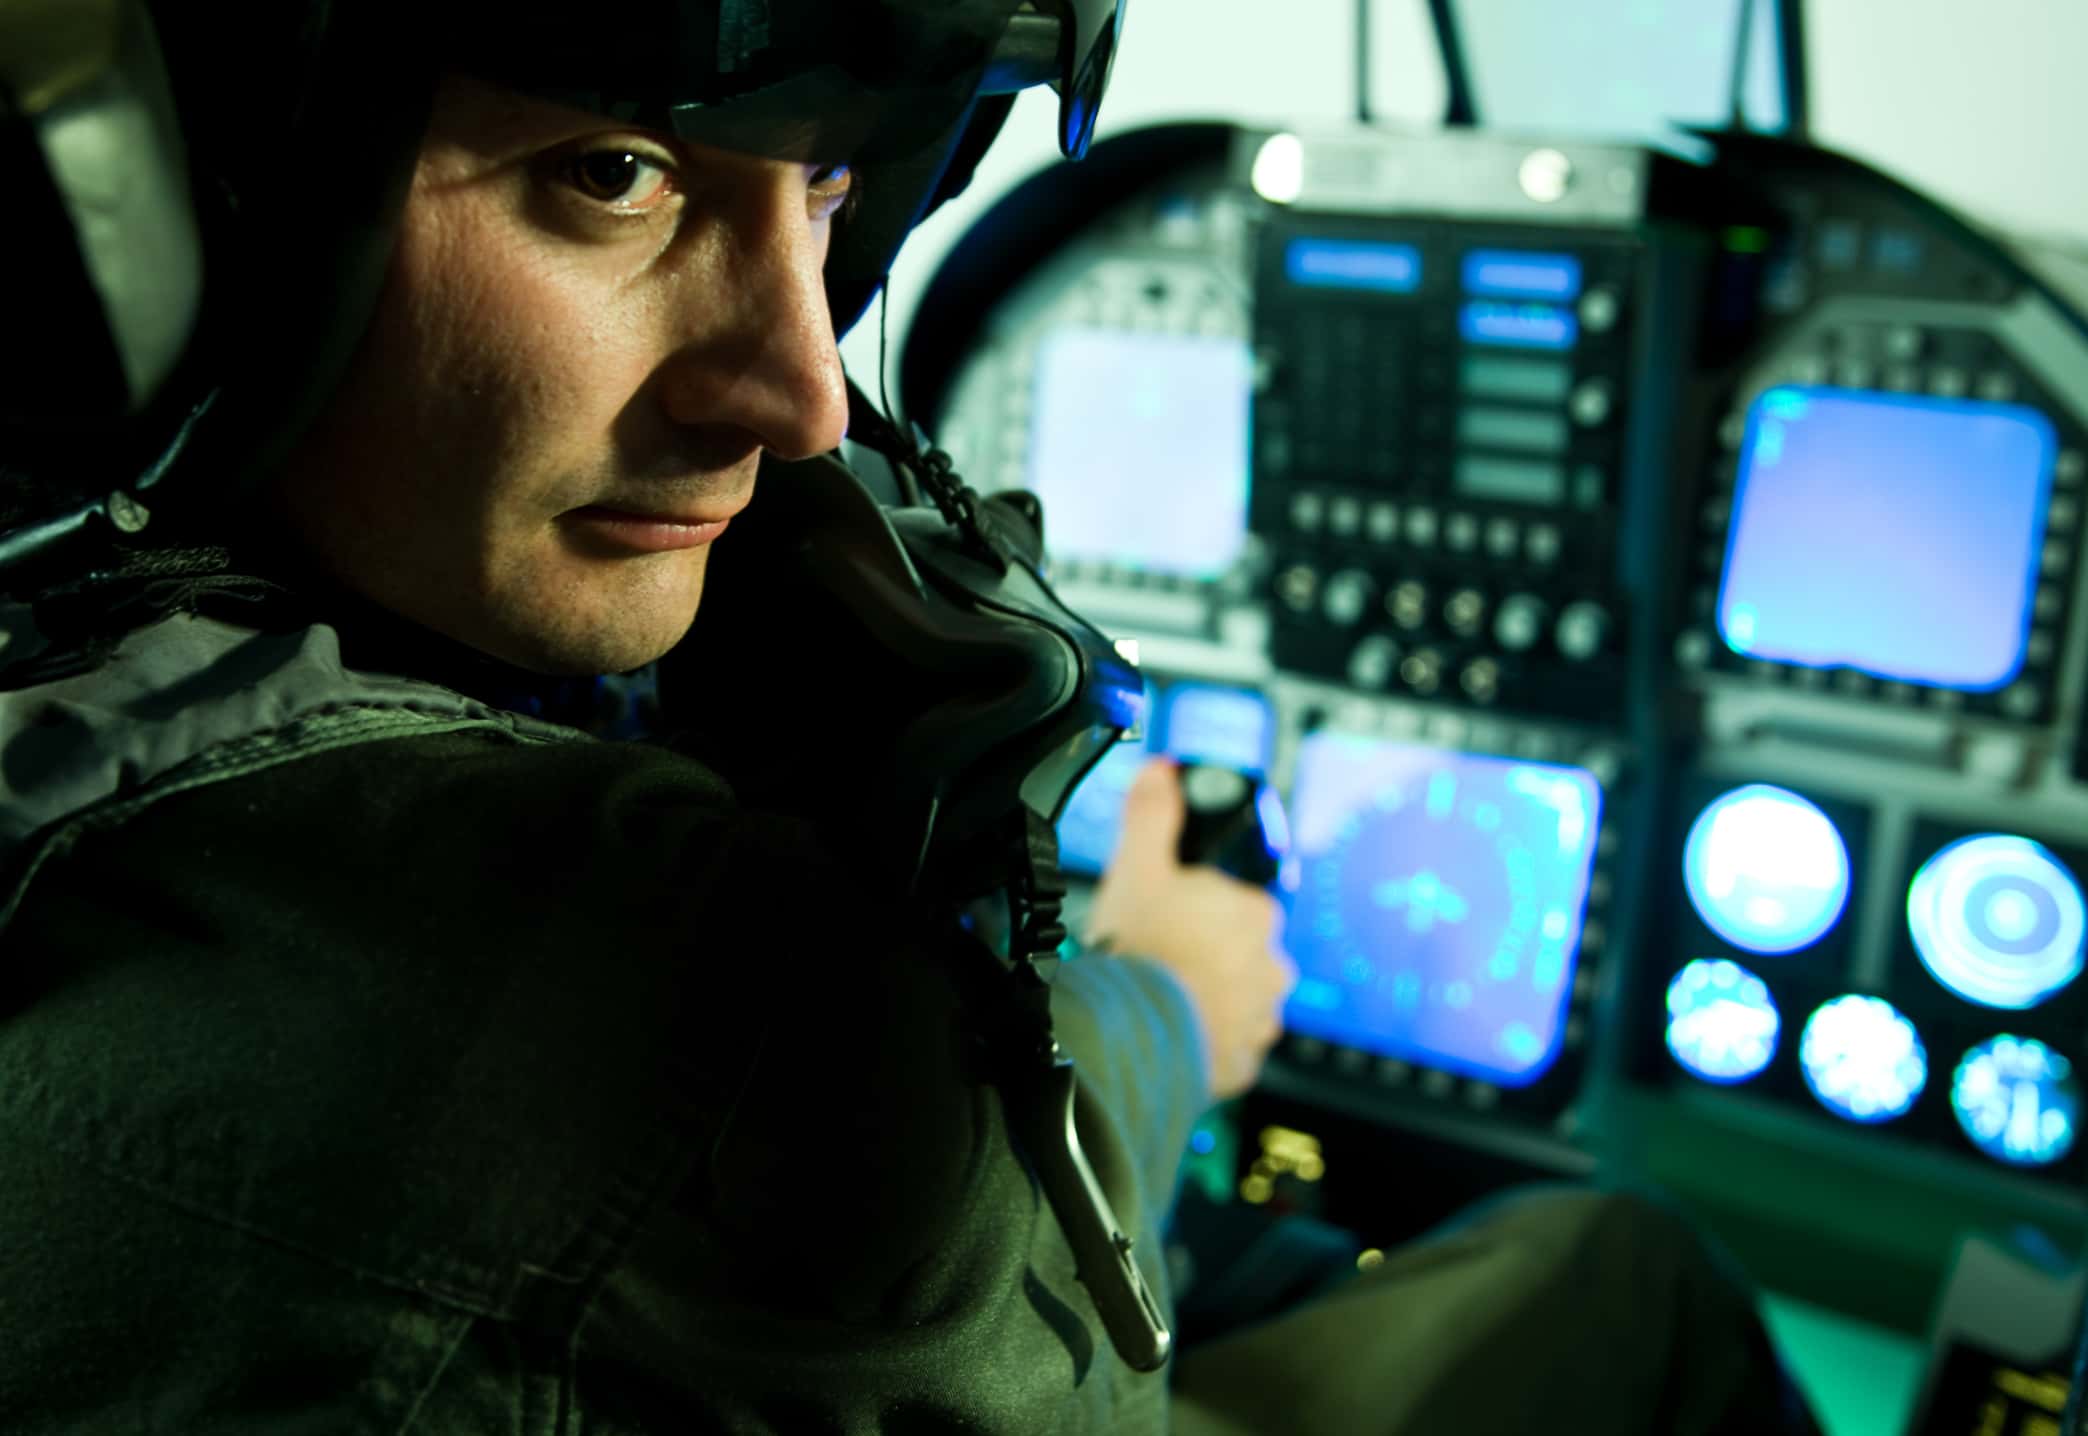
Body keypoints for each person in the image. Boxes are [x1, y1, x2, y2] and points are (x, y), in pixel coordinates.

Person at [0, 3, 1821, 1431]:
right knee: (1622, 1275)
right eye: (618, 174)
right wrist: (1168, 999)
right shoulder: (636, 976)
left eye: (831, 193)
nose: (802, 395)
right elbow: (1006, 1329)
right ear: (149, 209)